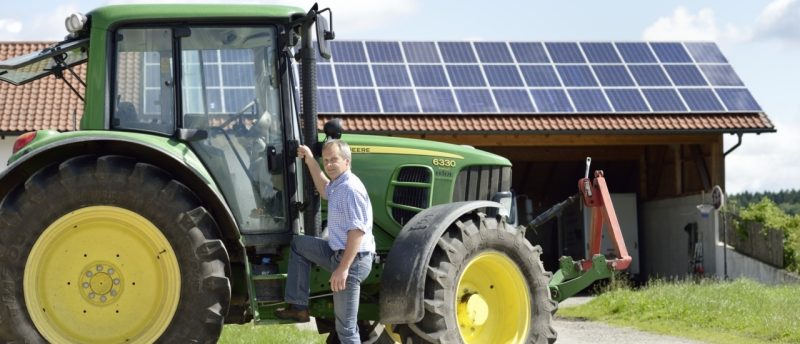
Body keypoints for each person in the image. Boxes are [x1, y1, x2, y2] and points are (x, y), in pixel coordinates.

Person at [276, 139, 375, 344]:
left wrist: (342, 269)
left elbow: (357, 232)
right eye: (327, 160)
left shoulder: (350, 189)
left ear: (347, 161)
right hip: (335, 252)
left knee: (346, 328)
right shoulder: (338, 184)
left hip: (353, 260)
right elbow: (323, 188)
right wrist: (310, 160)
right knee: (299, 244)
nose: (329, 164)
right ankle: (299, 307)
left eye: (334, 160)